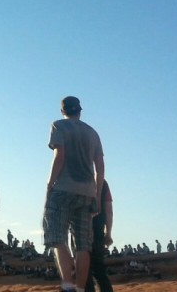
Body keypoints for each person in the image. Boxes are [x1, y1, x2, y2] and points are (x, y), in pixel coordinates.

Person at [43, 95, 105, 292]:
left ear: (63, 111)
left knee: (57, 238)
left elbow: (59, 156)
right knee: (83, 245)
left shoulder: (58, 126)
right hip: (87, 193)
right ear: (80, 110)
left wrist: (49, 183)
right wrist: (97, 195)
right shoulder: (92, 133)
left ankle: (68, 285)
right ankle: (80, 288)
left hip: (63, 189)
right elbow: (100, 168)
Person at [84, 179, 113, 292]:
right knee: (100, 271)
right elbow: (109, 211)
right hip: (98, 231)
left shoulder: (76, 176)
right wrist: (108, 233)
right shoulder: (103, 183)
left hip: (79, 231)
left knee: (84, 271)